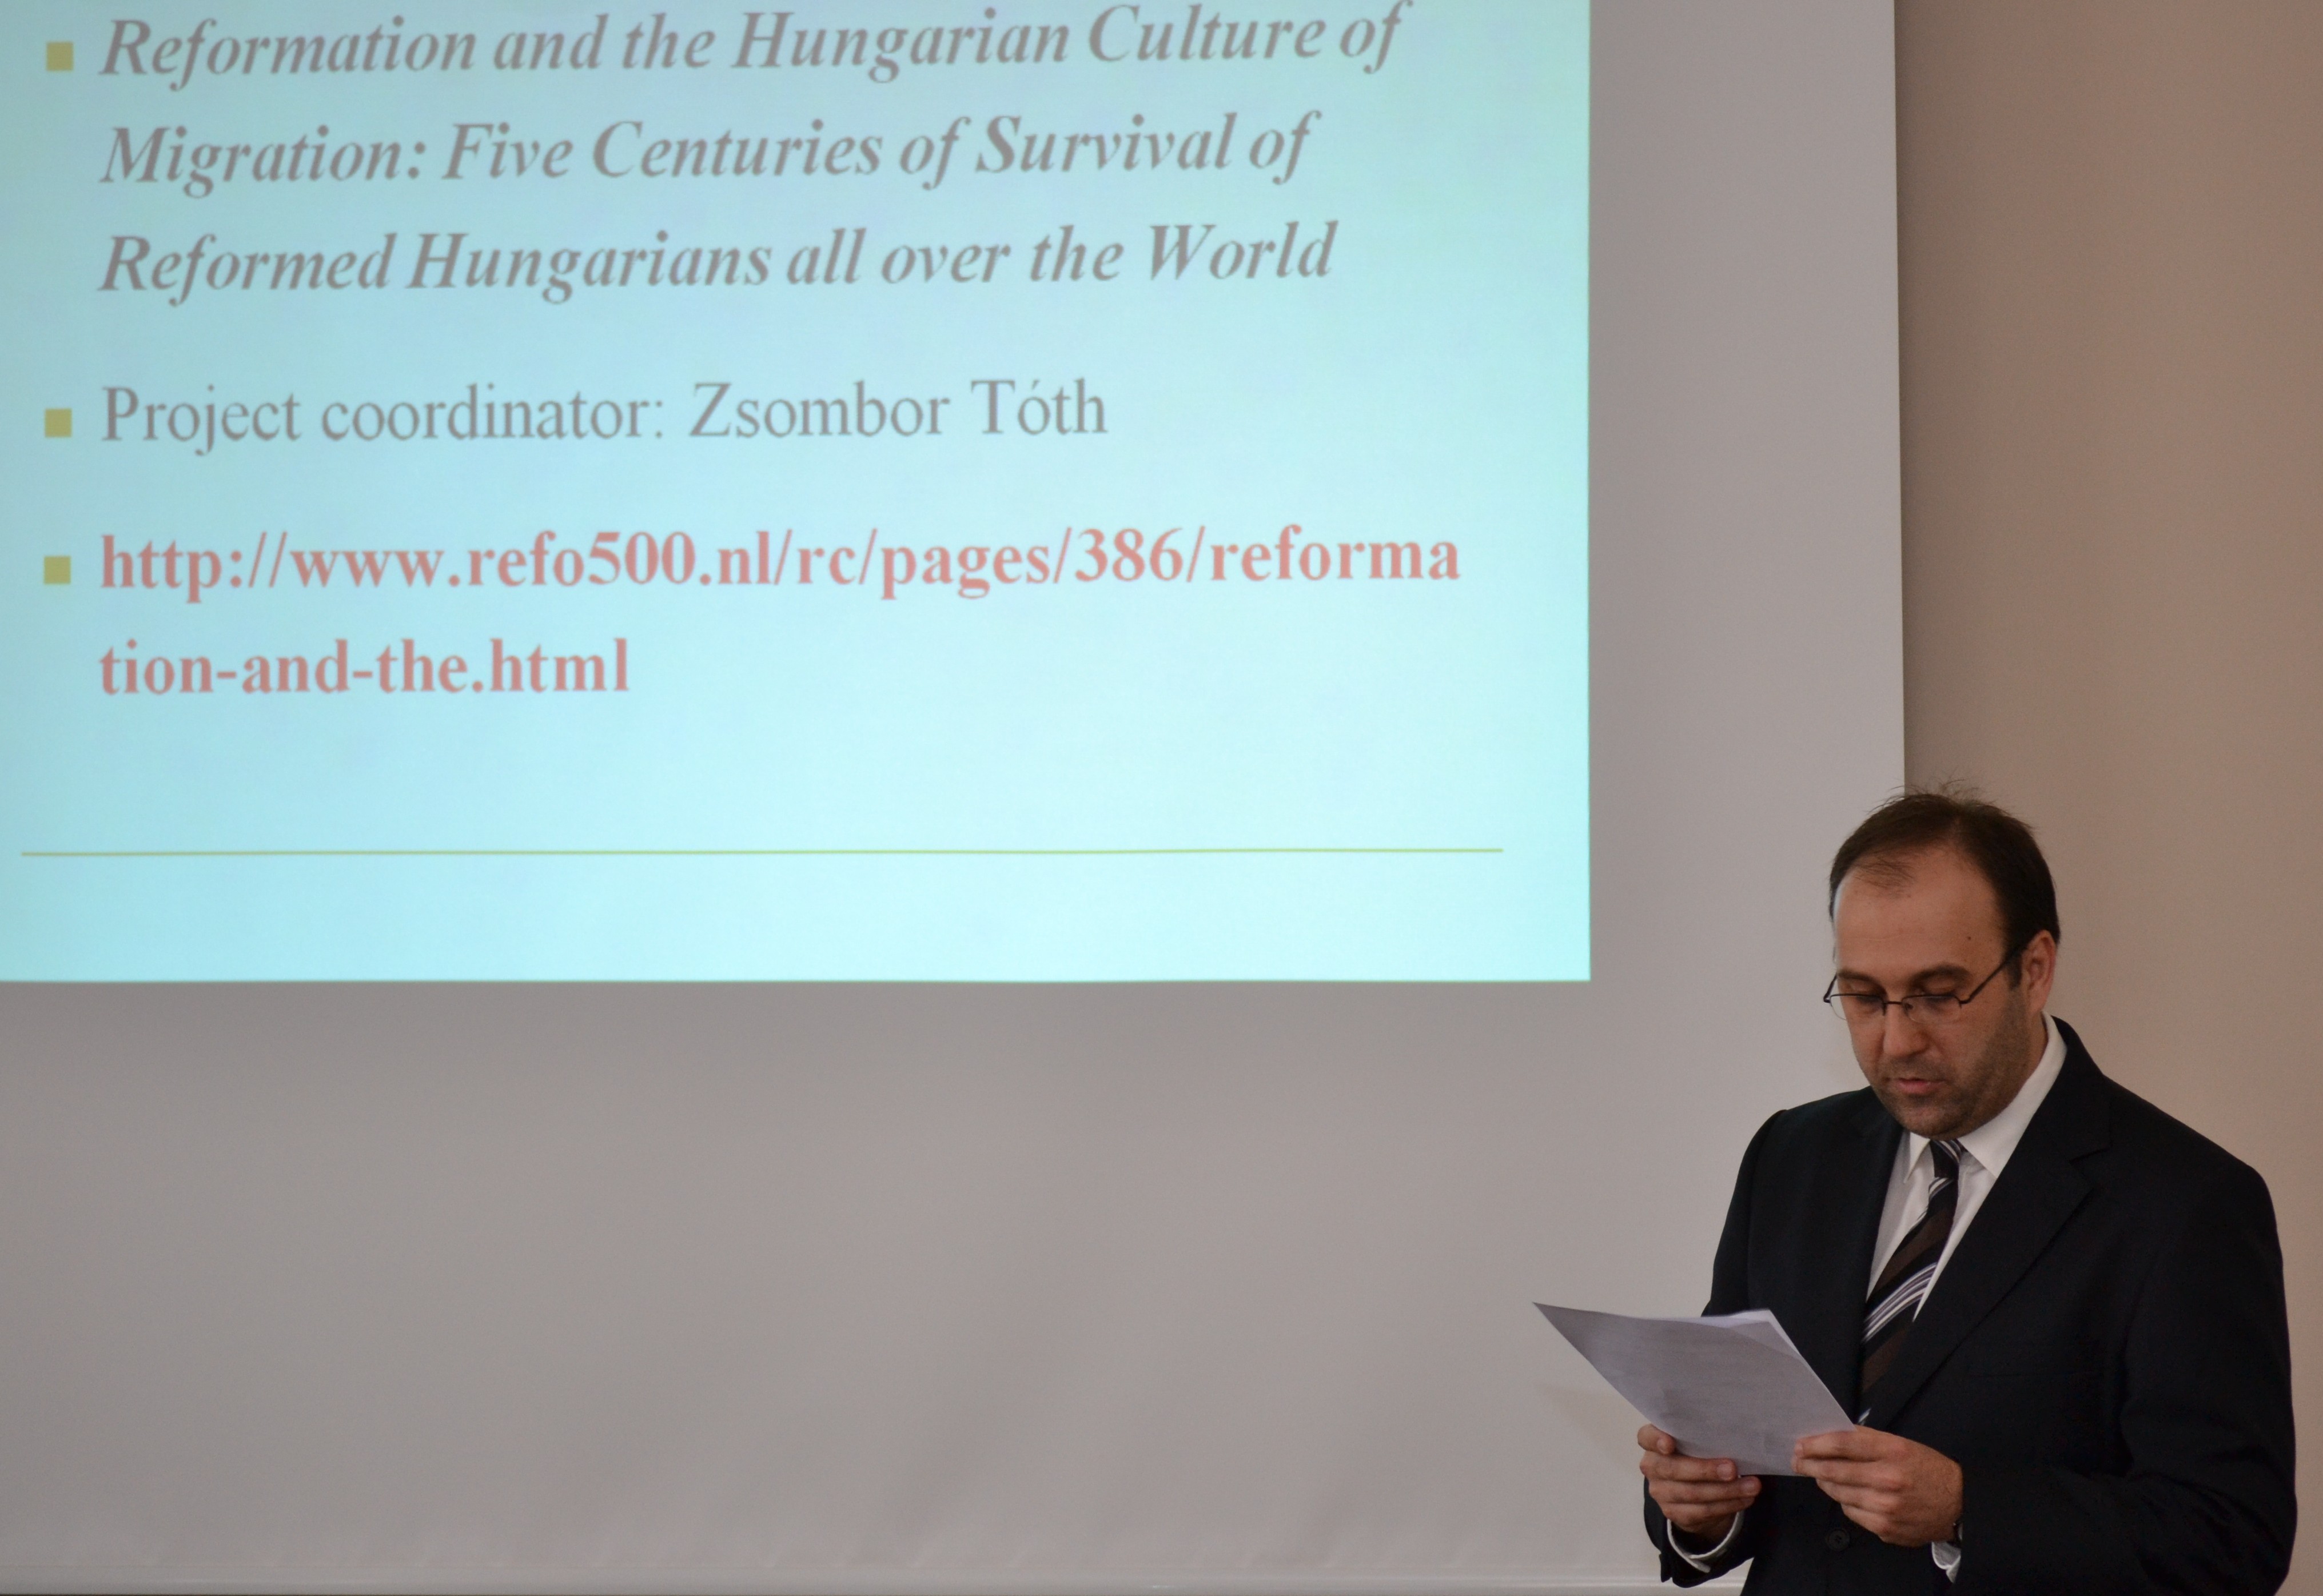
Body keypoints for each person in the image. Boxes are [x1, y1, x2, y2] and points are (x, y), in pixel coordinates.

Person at [1637, 790, 2294, 1593]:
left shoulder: (2186, 1203)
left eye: (1938, 994)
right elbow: (1737, 1441)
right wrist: (1701, 1509)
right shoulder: (1792, 1156)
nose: (1897, 1039)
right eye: (1864, 997)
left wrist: (1966, 1510)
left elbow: (2231, 1540)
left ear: (2035, 970)